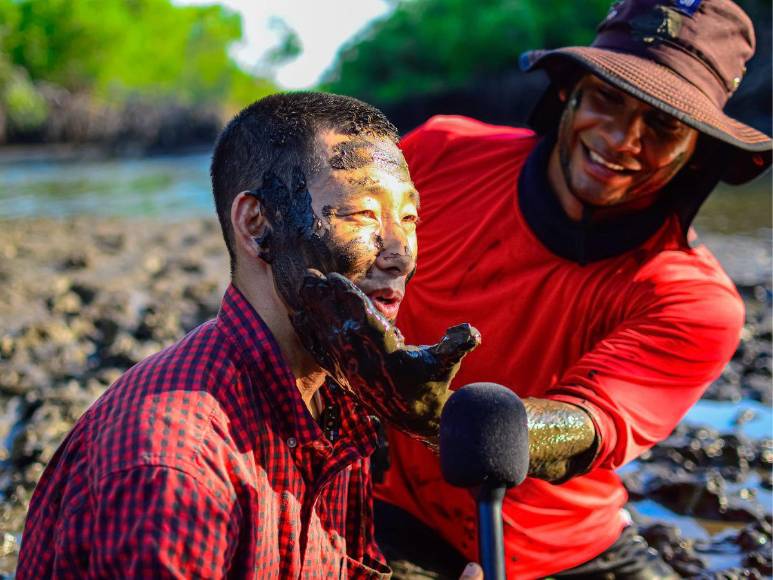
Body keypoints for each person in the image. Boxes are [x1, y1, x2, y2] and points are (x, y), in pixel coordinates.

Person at [373, 0, 772, 578]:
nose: (620, 139)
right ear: (571, 91)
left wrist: (508, 429)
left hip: (565, 546)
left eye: (662, 125)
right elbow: (332, 270)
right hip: (395, 506)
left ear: (698, 151)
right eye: (609, 97)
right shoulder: (437, 157)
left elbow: (591, 423)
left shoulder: (694, 302)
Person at [17, 92, 483, 579]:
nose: (400, 253)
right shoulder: (178, 469)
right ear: (257, 225)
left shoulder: (336, 398)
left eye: (409, 218)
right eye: (361, 215)